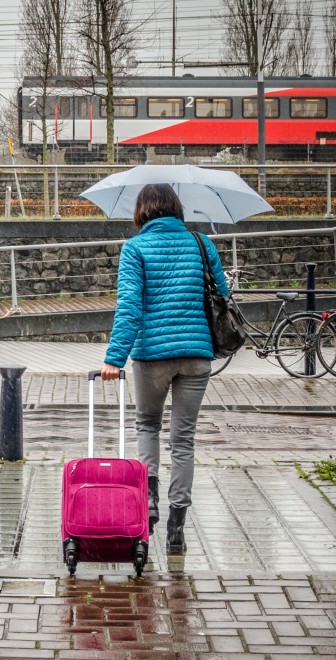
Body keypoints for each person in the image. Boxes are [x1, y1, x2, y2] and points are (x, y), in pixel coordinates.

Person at [100, 183, 228, 555]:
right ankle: (177, 528)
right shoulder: (202, 244)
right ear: (176, 207)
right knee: (183, 440)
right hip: (196, 355)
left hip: (152, 355)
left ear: (141, 210)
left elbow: (130, 308)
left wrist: (114, 358)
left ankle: (149, 505)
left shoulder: (135, 248)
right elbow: (222, 294)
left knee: (147, 426)